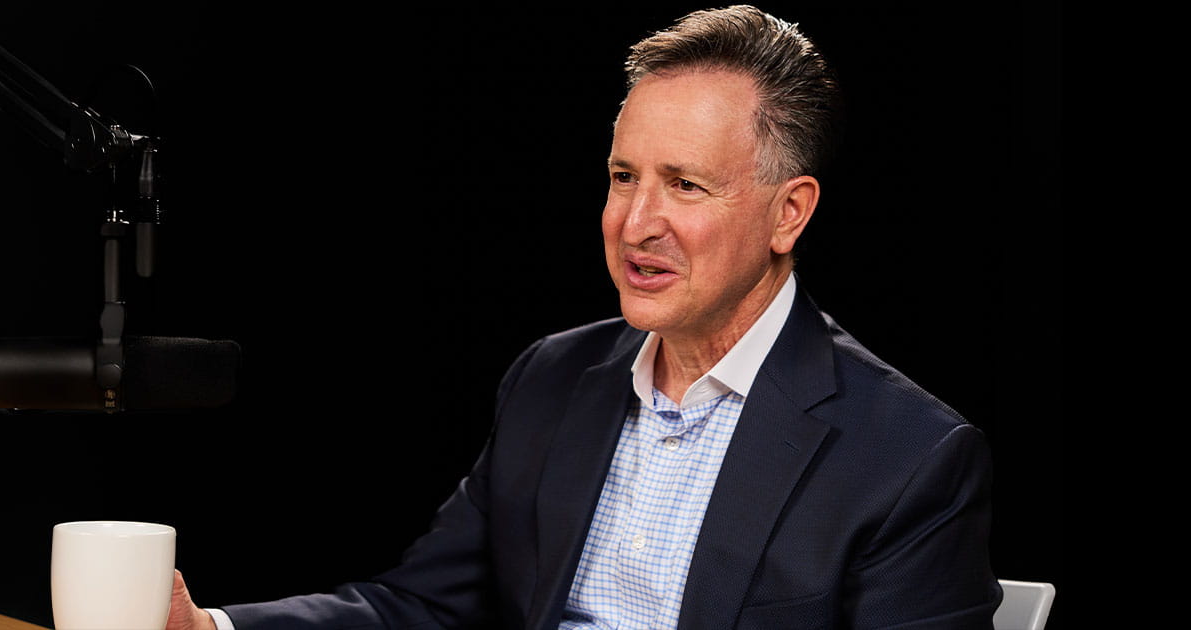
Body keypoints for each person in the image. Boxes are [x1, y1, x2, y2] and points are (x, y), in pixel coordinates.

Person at [168, 5, 1001, 629]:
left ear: (790, 214)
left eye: (684, 184)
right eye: (622, 176)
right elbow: (420, 607)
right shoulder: (552, 377)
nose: (635, 222)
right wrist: (208, 629)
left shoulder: (909, 460)